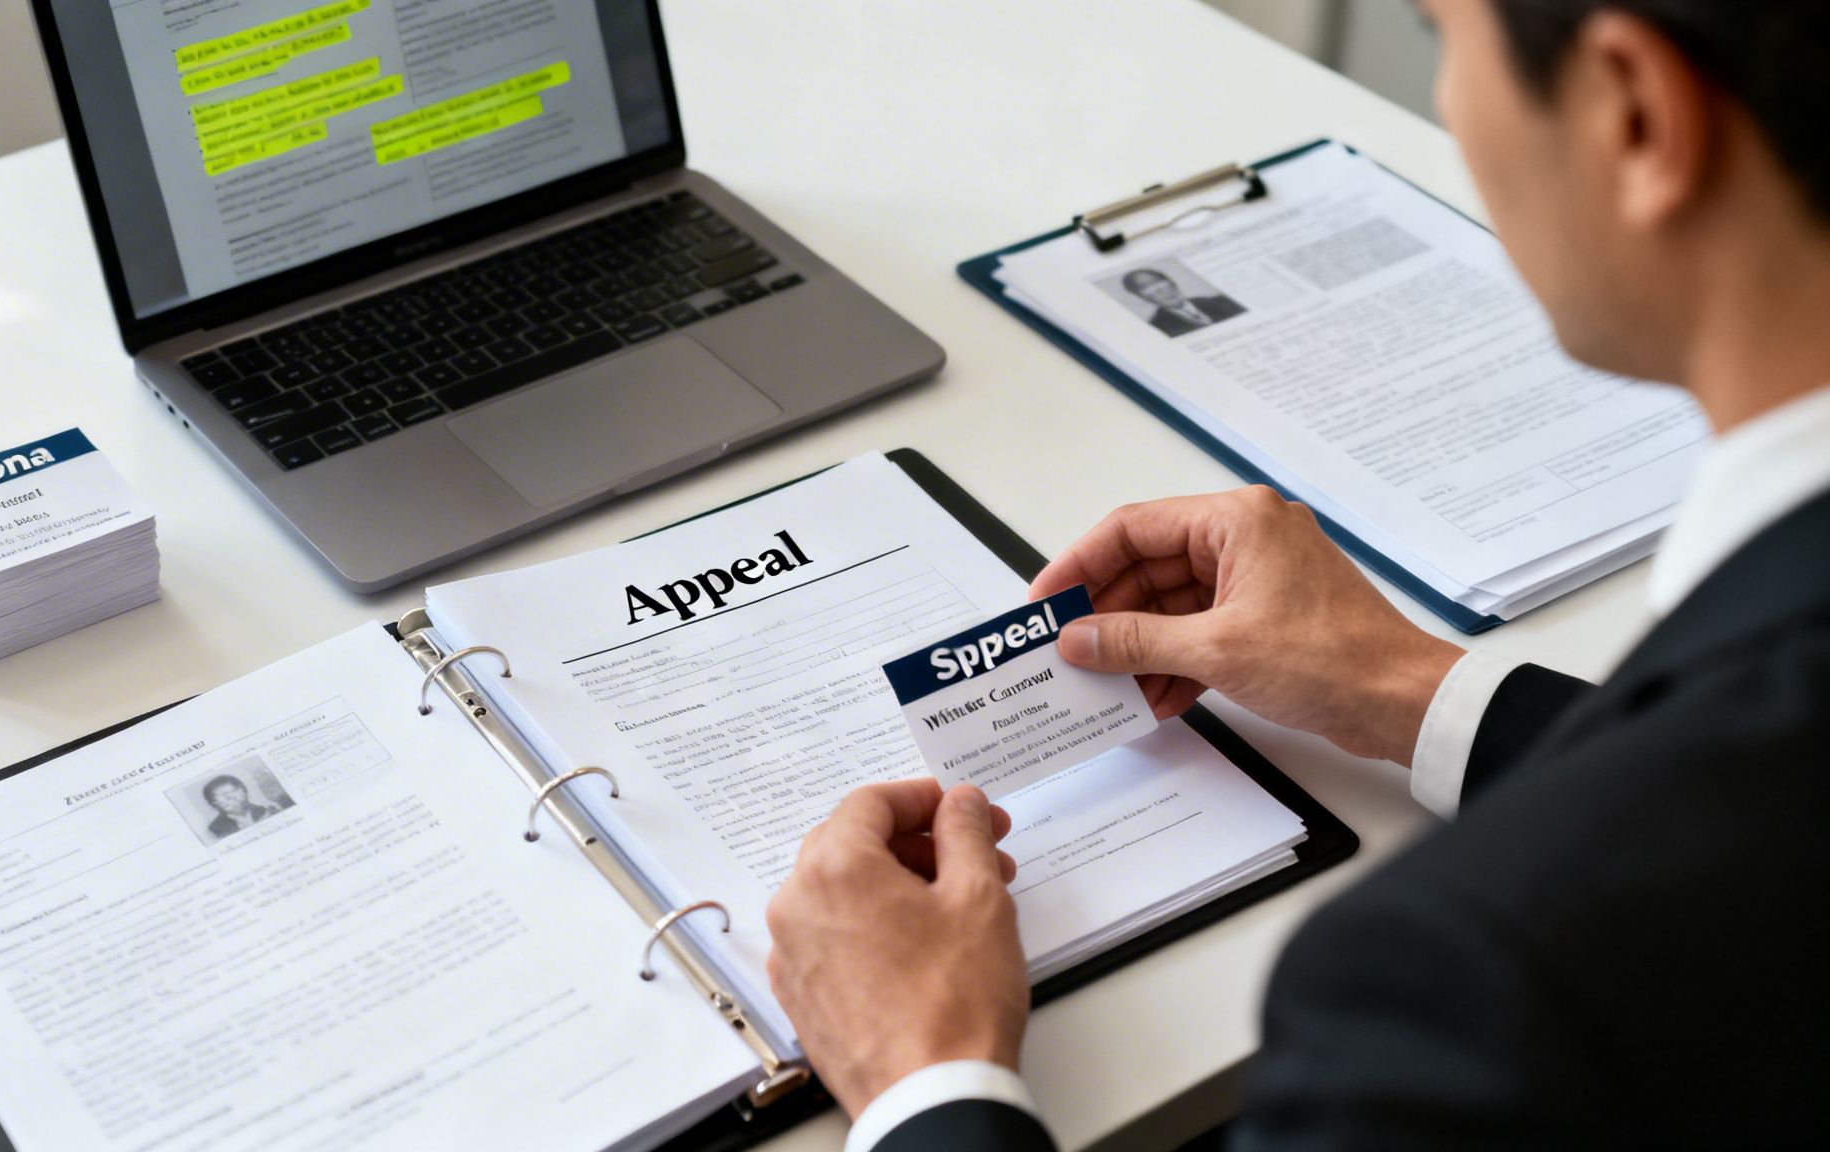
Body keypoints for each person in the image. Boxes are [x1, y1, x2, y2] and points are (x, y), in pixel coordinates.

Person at [765, 1, 1830, 1147]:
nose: (1445, 109)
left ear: (1632, 112)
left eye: (1442, 42)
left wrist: (921, 1079)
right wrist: (1407, 688)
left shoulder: (1460, 982)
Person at [1122, 266, 1245, 336]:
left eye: (1158, 282)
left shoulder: (1222, 301)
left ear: (1172, 283)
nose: (1161, 291)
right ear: (1140, 297)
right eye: (1146, 288)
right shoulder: (1157, 329)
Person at [202, 774, 285, 839]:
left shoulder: (265, 810)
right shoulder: (216, 829)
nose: (230, 798)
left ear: (244, 791)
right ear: (213, 803)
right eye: (218, 797)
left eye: (232, 792)